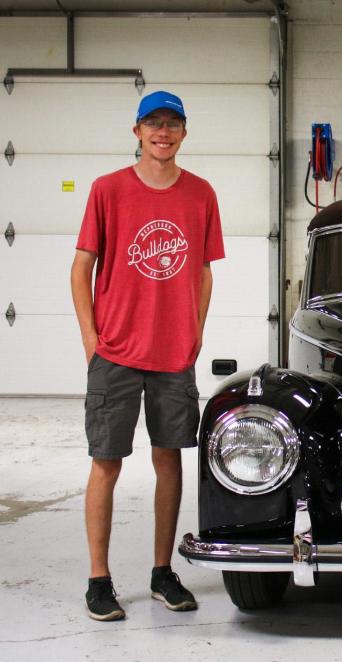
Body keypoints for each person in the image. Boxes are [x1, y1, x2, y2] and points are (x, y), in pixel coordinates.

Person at [70, 90, 225, 621]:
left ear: (184, 133)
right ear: (137, 131)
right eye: (153, 123)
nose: (163, 132)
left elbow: (204, 271)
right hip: (115, 353)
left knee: (169, 459)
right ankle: (98, 580)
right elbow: (81, 268)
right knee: (106, 463)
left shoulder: (201, 194)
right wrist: (93, 341)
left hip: (172, 353)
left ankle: (162, 572)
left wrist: (195, 330)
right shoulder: (108, 190)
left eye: (173, 123)